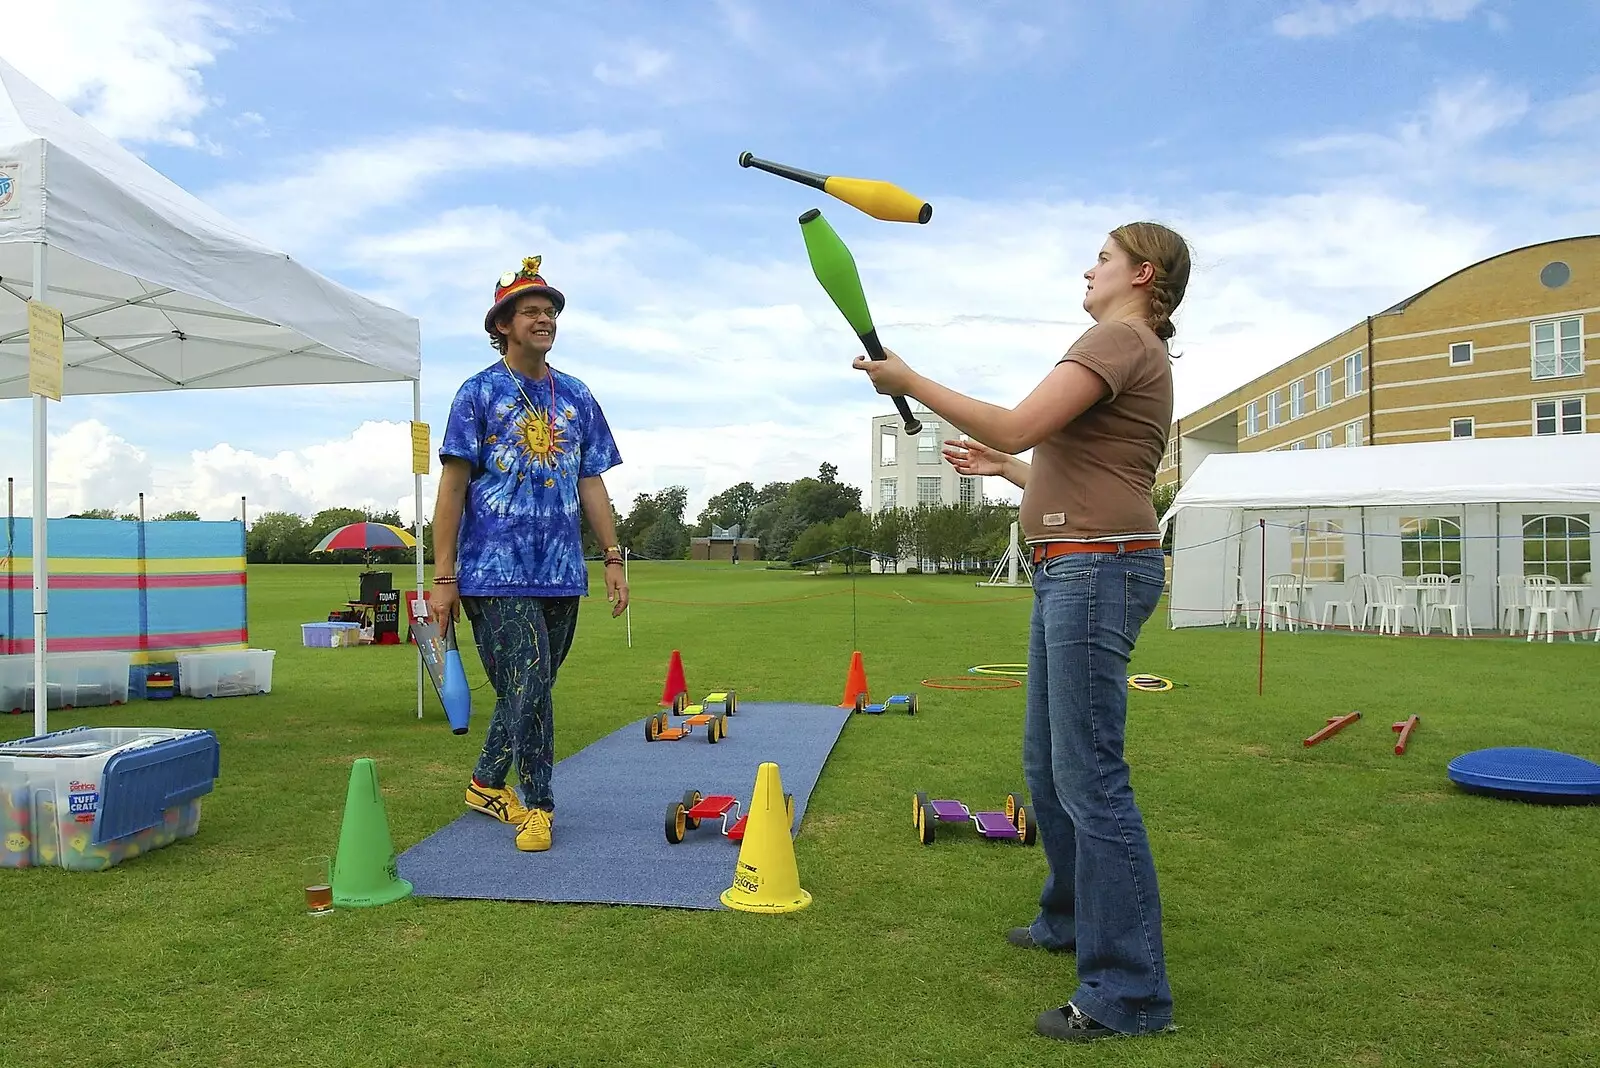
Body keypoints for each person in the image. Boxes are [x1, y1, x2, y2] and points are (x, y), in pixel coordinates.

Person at [852, 222, 1190, 1043]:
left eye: (1103, 258)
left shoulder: (1117, 336)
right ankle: (1070, 918)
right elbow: (1063, 462)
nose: (1089, 267)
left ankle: (1130, 991)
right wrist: (1003, 473)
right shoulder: (1130, 347)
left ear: (1143, 274)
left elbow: (1014, 424)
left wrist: (908, 379)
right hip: (1074, 566)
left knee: (1091, 777)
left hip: (1096, 568)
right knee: (1048, 766)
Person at [430, 256, 629, 853]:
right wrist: (444, 577)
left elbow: (591, 481)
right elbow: (453, 488)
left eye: (550, 313)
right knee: (531, 687)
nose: (544, 321)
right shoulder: (478, 393)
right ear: (503, 325)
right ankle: (538, 804)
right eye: (531, 312)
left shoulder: (576, 394)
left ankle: (486, 783)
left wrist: (613, 557)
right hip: (494, 571)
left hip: (562, 572)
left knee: (530, 685)